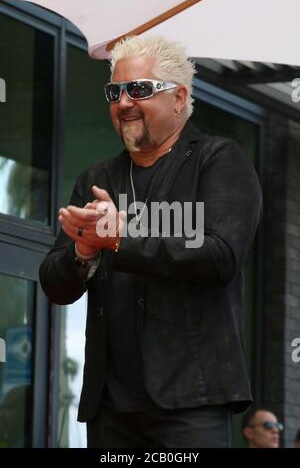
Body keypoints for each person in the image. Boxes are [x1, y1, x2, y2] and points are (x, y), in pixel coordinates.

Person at [39, 35, 263, 448]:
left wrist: (123, 238)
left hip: (190, 404)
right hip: (110, 410)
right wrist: (84, 251)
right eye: (115, 91)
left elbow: (220, 255)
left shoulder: (219, 160)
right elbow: (55, 283)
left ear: (179, 97)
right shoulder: (95, 179)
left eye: (140, 89)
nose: (124, 102)